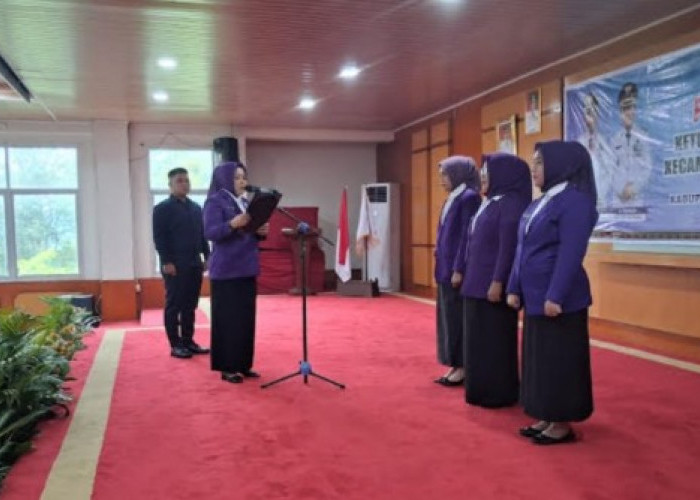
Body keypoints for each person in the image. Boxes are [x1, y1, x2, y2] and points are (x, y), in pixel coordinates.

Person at [506, 140, 598, 445]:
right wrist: (514, 286)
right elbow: (522, 249)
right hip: (535, 296)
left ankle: (562, 423)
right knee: (540, 360)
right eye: (533, 162)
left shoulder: (576, 201)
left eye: (540, 162)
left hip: (560, 301)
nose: (533, 168)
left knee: (560, 360)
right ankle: (546, 414)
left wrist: (555, 295)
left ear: (560, 165)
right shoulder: (540, 203)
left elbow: (571, 253)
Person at [458, 153, 531, 407]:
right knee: (477, 340)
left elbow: (507, 247)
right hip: (475, 282)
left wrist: (498, 280)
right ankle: (478, 389)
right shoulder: (489, 202)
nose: (482, 177)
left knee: (494, 341)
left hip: (492, 285)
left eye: (487, 172)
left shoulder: (511, 204)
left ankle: (498, 392)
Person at [203, 161, 269, 383]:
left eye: (244, 177)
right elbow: (210, 232)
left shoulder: (245, 202)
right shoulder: (215, 201)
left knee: (245, 319)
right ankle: (227, 367)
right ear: (224, 179)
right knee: (227, 321)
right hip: (226, 270)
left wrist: (260, 232)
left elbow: (248, 232)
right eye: (237, 177)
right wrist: (232, 224)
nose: (242, 181)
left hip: (247, 267)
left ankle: (243, 364)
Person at [152, 167, 211, 359]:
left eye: (186, 180)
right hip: (175, 265)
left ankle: (188, 341)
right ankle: (175, 345)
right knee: (174, 305)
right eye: (179, 181)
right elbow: (159, 238)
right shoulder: (162, 209)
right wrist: (166, 261)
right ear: (170, 185)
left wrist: (207, 256)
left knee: (190, 305)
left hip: (194, 263)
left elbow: (202, 235)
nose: (184, 184)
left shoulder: (196, 208)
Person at [434, 156, 481, 387]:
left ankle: (462, 365)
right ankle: (453, 363)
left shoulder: (469, 197)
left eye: (445, 174)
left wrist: (458, 268)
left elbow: (466, 236)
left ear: (458, 173)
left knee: (456, 318)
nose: (442, 180)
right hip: (444, 267)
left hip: (455, 268)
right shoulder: (452, 197)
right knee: (447, 318)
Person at [610, 82, 652, 208]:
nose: (630, 112)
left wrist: (634, 188)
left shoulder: (643, 136)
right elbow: (610, 169)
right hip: (618, 200)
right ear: (620, 111)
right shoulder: (614, 139)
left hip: (637, 199)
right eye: (626, 108)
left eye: (632, 107)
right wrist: (620, 189)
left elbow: (648, 168)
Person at [577, 92, 613, 208]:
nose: (589, 112)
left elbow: (610, 171)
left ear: (598, 113)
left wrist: (600, 194)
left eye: (592, 108)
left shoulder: (605, 143)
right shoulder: (578, 144)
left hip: (601, 202)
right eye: (586, 109)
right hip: (582, 201)